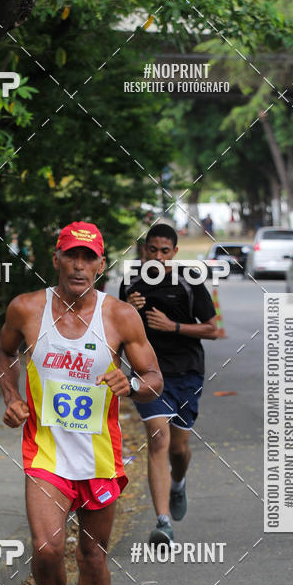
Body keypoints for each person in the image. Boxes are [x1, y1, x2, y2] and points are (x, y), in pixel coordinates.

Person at [0, 221, 163, 585]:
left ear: (101, 265)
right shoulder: (27, 308)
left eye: (89, 258)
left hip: (99, 457)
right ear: (57, 258)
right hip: (45, 449)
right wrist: (10, 395)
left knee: (92, 557)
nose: (80, 265)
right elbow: (5, 352)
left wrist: (129, 385)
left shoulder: (120, 317)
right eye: (72, 255)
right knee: (47, 549)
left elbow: (155, 378)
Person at [119, 223, 218, 546]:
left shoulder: (189, 282)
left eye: (165, 251)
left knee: (179, 448)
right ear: (144, 249)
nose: (158, 256)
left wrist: (173, 326)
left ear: (174, 253)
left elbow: (211, 329)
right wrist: (127, 313)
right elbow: (119, 330)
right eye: (152, 249)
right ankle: (163, 523)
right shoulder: (130, 285)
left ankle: (178, 482)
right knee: (158, 438)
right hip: (148, 374)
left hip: (187, 372)